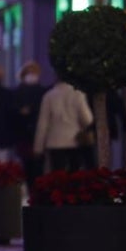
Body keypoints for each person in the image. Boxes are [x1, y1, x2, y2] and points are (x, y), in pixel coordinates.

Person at [33, 79, 93, 173]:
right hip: (75, 141)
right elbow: (88, 119)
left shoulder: (49, 96)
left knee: (58, 177)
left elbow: (43, 124)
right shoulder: (78, 94)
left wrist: (38, 148)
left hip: (55, 143)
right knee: (74, 176)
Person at [7, 61, 47, 189]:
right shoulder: (17, 92)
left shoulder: (43, 92)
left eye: (33, 72)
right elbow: (12, 113)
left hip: (39, 135)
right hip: (23, 136)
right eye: (29, 72)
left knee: (39, 166)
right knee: (27, 165)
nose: (32, 75)